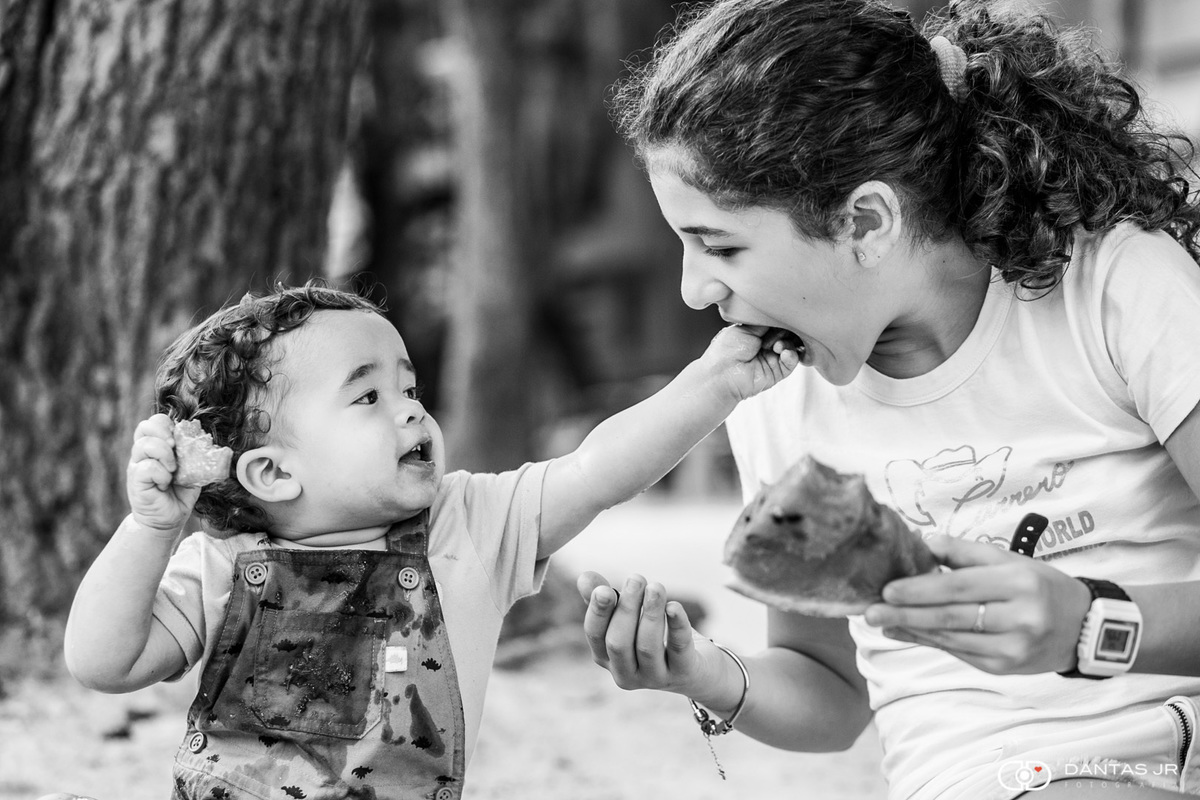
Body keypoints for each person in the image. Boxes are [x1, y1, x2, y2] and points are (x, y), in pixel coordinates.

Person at [576, 1, 1200, 798]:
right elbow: (830, 688)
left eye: (721, 245)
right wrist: (701, 670)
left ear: (866, 221)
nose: (696, 291)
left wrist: (1089, 625)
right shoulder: (781, 398)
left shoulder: (1116, 290)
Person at [62, 283, 798, 800]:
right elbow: (105, 661)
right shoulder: (221, 565)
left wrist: (713, 385)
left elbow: (598, 469)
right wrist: (152, 527)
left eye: (410, 389)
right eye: (368, 397)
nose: (412, 412)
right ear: (273, 472)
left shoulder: (469, 525)